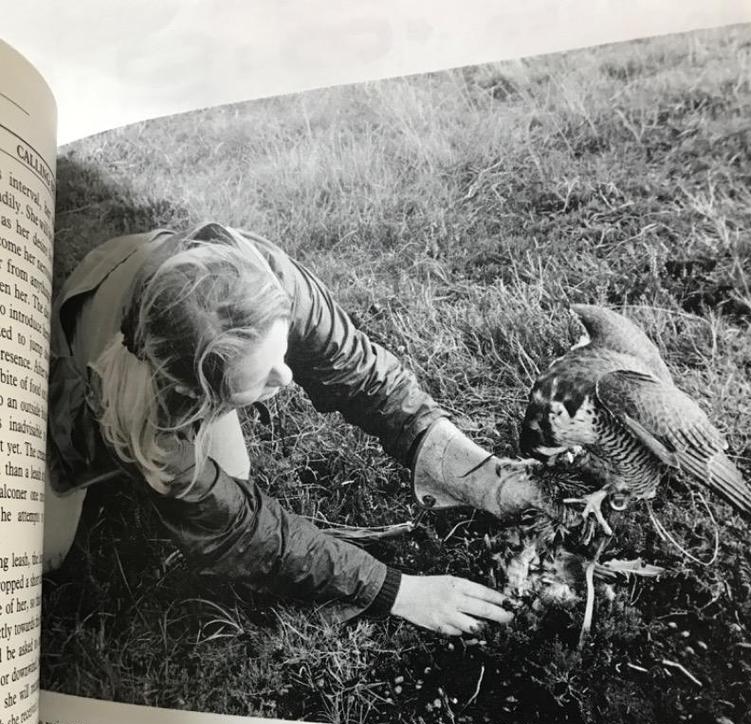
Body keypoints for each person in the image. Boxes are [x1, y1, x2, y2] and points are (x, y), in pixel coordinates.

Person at [45, 222, 558, 636]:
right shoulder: (150, 417)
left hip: (150, 269)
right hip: (78, 360)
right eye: (262, 378)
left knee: (232, 472)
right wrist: (398, 591)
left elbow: (356, 370)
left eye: (281, 353)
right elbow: (244, 533)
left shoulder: (261, 275)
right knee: (48, 554)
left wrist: (469, 470)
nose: (287, 379)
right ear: (198, 396)